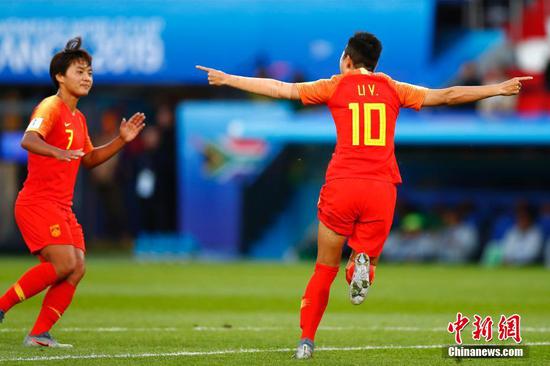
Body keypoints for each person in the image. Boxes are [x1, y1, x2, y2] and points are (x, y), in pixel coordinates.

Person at [196, 31, 530, 359]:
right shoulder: (392, 88)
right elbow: (447, 95)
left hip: (343, 183)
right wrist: (496, 89)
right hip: (380, 188)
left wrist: (229, 79)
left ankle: (306, 342)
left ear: (347, 59)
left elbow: (281, 89)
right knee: (365, 256)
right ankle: (362, 267)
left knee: (323, 268)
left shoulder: (335, 85)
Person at [0, 37, 145, 348]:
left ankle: (39, 335)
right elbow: (28, 139)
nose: (87, 77)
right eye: (79, 71)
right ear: (60, 77)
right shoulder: (51, 106)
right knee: (65, 262)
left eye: (89, 72)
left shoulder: (78, 118)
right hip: (38, 203)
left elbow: (89, 159)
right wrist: (54, 151)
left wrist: (121, 140)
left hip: (61, 207)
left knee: (77, 267)